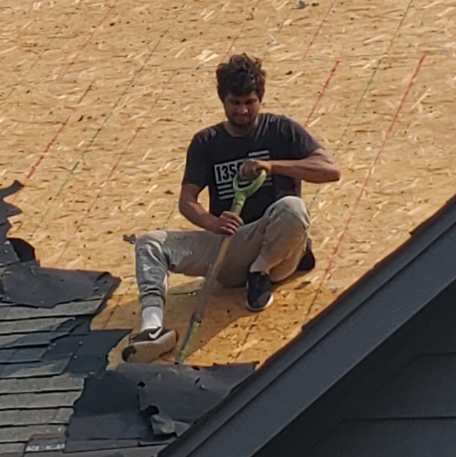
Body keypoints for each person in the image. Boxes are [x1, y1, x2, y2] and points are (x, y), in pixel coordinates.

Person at [127, 51, 340, 358]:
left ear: (260, 99)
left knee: (292, 208)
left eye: (249, 102)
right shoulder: (206, 142)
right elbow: (188, 201)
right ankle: (152, 328)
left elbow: (330, 170)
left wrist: (273, 166)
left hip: (276, 246)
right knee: (149, 243)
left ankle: (260, 273)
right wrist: (212, 223)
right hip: (229, 247)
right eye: (235, 103)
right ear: (223, 101)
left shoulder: (281, 131)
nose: (242, 110)